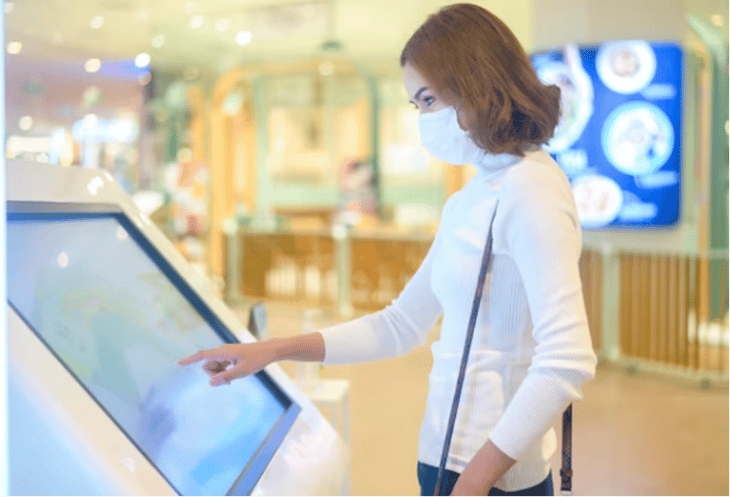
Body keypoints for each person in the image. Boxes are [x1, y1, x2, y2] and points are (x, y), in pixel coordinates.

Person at [177, 3, 597, 496]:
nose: (421, 118)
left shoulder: (533, 189)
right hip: (444, 460)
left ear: (474, 83)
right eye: (414, 105)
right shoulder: (473, 196)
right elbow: (399, 325)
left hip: (494, 479)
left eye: (427, 99)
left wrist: (475, 480)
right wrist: (272, 350)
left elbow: (567, 359)